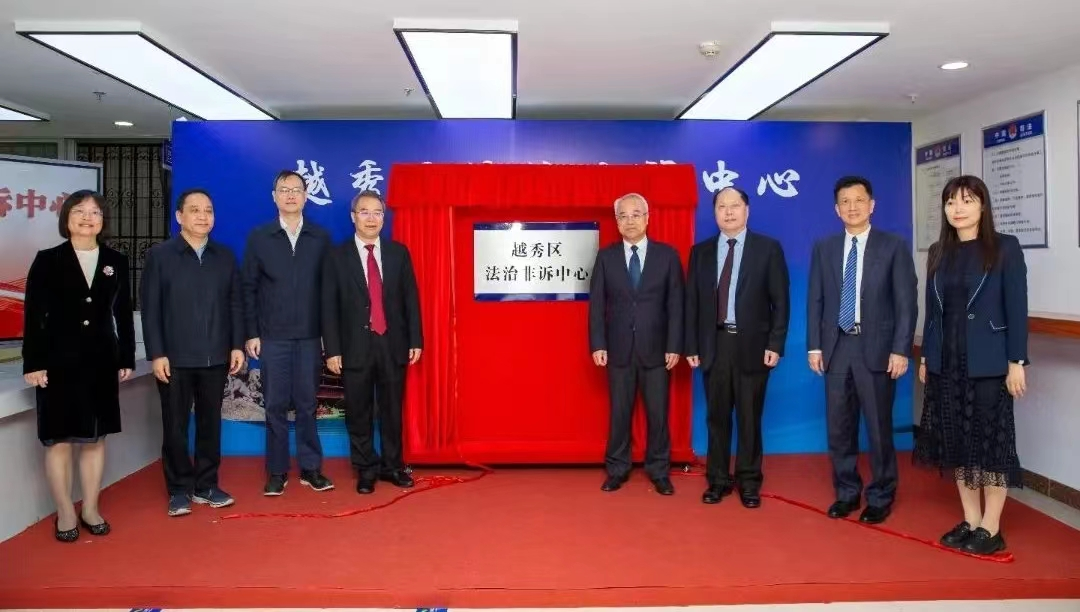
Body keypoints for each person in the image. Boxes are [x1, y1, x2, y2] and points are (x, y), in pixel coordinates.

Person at [913, 175, 1028, 555]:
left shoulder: (1005, 247)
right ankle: (971, 519)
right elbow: (933, 313)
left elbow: (1017, 308)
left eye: (966, 200)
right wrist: (927, 356)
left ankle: (991, 527)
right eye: (950, 202)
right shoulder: (939, 251)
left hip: (988, 363)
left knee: (991, 446)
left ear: (983, 205)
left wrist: (1016, 361)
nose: (957, 209)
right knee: (957, 442)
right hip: (948, 362)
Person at [22, 190, 135, 542]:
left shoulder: (115, 260)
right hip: (57, 362)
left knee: (94, 438)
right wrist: (34, 362)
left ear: (103, 220)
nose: (88, 218)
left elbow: (123, 313)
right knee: (59, 439)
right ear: (67, 218)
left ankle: (90, 507)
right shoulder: (47, 260)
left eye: (95, 212)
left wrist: (126, 356)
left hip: (101, 360)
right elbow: (33, 315)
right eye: (80, 211)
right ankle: (65, 511)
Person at [807, 175, 917, 524]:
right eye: (845, 201)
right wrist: (814, 346)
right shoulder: (824, 247)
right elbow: (815, 299)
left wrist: (901, 349)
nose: (852, 207)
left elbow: (906, 303)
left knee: (879, 427)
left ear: (872, 205)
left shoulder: (893, 246)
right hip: (837, 346)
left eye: (858, 200)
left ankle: (881, 495)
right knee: (839, 427)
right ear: (836, 209)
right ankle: (846, 492)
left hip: (878, 349)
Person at [141, 188, 245, 517]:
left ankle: (206, 485)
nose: (203, 216)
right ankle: (178, 489)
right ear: (179, 216)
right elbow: (150, 309)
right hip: (175, 359)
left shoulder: (224, 256)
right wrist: (157, 353)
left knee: (210, 424)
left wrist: (236, 344)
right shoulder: (161, 256)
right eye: (195, 210)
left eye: (208, 210)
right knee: (175, 427)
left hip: (215, 356)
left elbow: (235, 304)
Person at [685, 187, 789, 508]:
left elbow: (781, 302)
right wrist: (691, 344)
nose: (728, 212)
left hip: (753, 346)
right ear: (714, 212)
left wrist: (775, 343)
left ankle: (749, 481)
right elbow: (692, 303)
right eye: (721, 206)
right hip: (714, 344)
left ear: (747, 210)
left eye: (735, 206)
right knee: (716, 417)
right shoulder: (700, 252)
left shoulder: (767, 249)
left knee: (749, 417)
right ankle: (717, 480)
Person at [322, 190, 422, 494]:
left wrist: (415, 339)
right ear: (353, 217)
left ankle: (393, 466)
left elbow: (410, 299)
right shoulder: (336, 256)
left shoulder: (398, 253)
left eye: (377, 212)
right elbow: (328, 306)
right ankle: (365, 468)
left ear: (383, 217)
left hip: (392, 344)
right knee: (358, 411)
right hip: (354, 346)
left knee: (392, 410)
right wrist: (332, 349)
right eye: (364, 212)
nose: (371, 218)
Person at [242, 170, 334, 496]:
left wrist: (327, 336)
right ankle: (277, 471)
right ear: (274, 196)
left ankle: (311, 468)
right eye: (284, 190)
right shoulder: (260, 237)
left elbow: (328, 291)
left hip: (310, 336)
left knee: (308, 404)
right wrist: (252, 333)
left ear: (306, 196)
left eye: (296, 190)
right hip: (273, 336)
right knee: (275, 405)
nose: (291, 195)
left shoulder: (320, 237)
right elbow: (249, 288)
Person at [589, 192, 684, 495]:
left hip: (657, 350)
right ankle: (617, 469)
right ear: (617, 222)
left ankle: (659, 470)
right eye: (623, 216)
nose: (629, 221)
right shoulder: (606, 257)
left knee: (658, 414)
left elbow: (676, 305)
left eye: (635, 215)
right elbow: (597, 304)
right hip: (618, 349)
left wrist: (674, 345)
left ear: (647, 218)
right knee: (619, 414)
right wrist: (598, 343)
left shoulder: (667, 256)